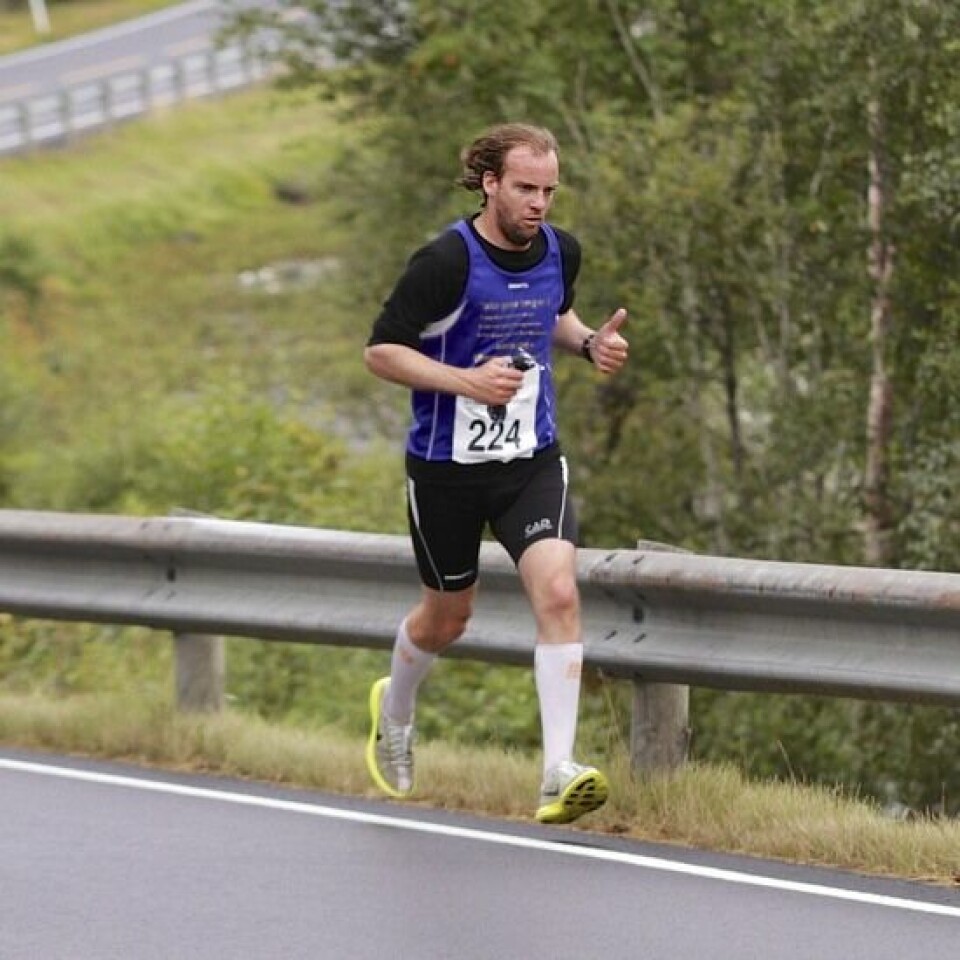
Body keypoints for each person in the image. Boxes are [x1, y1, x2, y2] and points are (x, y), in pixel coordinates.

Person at [363, 122, 629, 824]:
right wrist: (462, 381)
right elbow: (382, 352)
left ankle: (557, 771)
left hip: (530, 463)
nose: (539, 203)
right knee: (448, 617)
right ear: (489, 182)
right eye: (525, 189)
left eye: (549, 190)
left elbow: (555, 315)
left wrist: (589, 343)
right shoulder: (444, 262)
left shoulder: (560, 251)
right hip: (446, 470)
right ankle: (394, 713)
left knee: (560, 592)